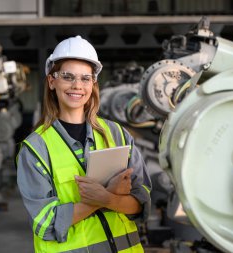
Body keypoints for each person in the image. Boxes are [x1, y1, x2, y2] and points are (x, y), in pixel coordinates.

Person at [16, 35, 151, 253]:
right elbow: (47, 224)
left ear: (93, 83)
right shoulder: (36, 149)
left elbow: (140, 203)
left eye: (85, 78)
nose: (77, 86)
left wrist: (105, 197)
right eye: (67, 77)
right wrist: (106, 197)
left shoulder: (117, 134)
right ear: (52, 81)